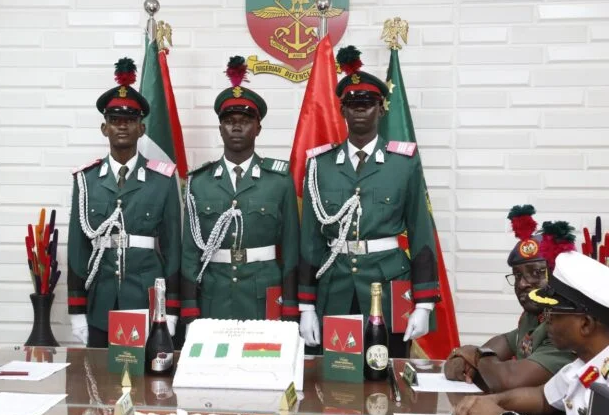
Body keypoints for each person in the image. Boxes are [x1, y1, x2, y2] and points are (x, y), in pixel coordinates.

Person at [298, 45, 439, 358]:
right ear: (342, 111)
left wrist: (425, 304)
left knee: (387, 368)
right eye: (352, 104)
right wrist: (306, 306)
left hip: (388, 284)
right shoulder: (320, 165)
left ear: (381, 110)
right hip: (336, 285)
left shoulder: (403, 163)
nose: (360, 110)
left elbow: (421, 232)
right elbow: (309, 239)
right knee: (339, 369)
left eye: (368, 103)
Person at [453, 221, 609, 415]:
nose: (547, 319)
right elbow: (542, 398)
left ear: (586, 324)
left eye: (554, 312)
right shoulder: (583, 366)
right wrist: (490, 402)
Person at [68, 57, 180, 348]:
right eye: (114, 121)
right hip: (101, 303)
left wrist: (170, 309)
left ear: (141, 129)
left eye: (129, 121)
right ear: (104, 128)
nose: (121, 127)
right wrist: (77, 311)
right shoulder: (86, 180)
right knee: (99, 374)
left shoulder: (162, 179)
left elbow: (173, 249)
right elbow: (78, 249)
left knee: (147, 373)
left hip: (145, 300)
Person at [180, 56, 299, 323]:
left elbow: (291, 248)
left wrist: (291, 306)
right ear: (220, 128)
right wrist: (188, 307)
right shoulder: (199, 182)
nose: (236, 126)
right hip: (214, 294)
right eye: (229, 120)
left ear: (258, 128)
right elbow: (189, 251)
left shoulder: (279, 181)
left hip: (264, 293)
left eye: (245, 120)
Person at [444, 205, 574, 394]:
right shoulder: (534, 316)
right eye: (517, 275)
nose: (522, 284)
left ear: (558, 276)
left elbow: (510, 380)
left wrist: (474, 356)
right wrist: (462, 358)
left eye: (536, 273)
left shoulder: (567, 325)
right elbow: (504, 343)